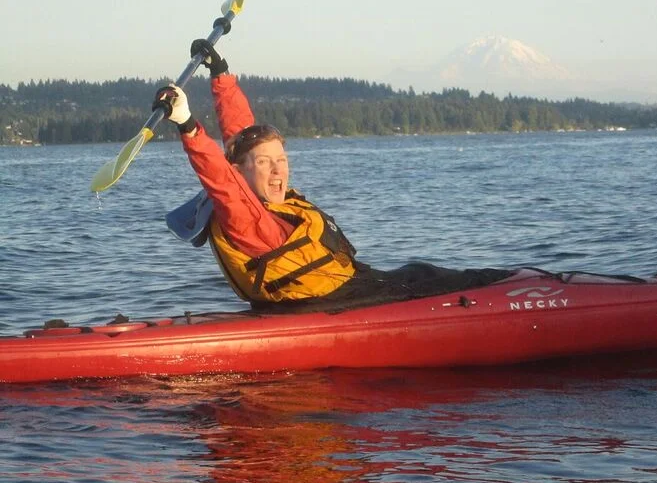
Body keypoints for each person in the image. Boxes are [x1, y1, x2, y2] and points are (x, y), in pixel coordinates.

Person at [154, 38, 511, 313]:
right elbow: (220, 176)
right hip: (325, 302)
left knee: (421, 271)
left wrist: (220, 75)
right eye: (265, 164)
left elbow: (243, 137)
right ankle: (523, 297)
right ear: (241, 171)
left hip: (343, 285)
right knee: (430, 279)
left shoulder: (257, 188)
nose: (279, 169)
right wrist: (187, 125)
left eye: (281, 158)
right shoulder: (246, 220)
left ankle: (512, 282)